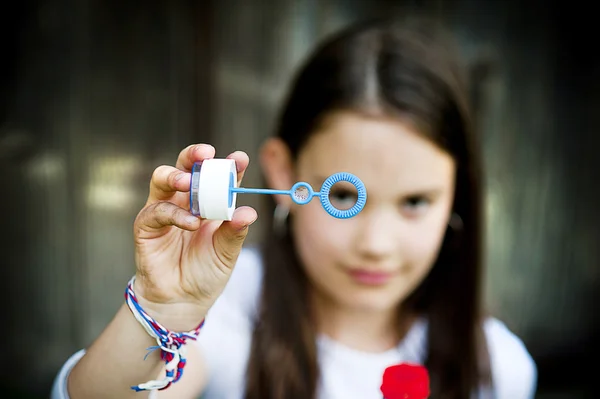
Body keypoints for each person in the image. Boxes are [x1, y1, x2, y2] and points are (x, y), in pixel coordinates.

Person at [51, 18, 537, 399]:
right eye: (344, 196)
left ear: (458, 192)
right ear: (283, 175)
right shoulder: (230, 309)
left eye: (415, 202)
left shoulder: (499, 368)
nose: (376, 245)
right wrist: (163, 309)